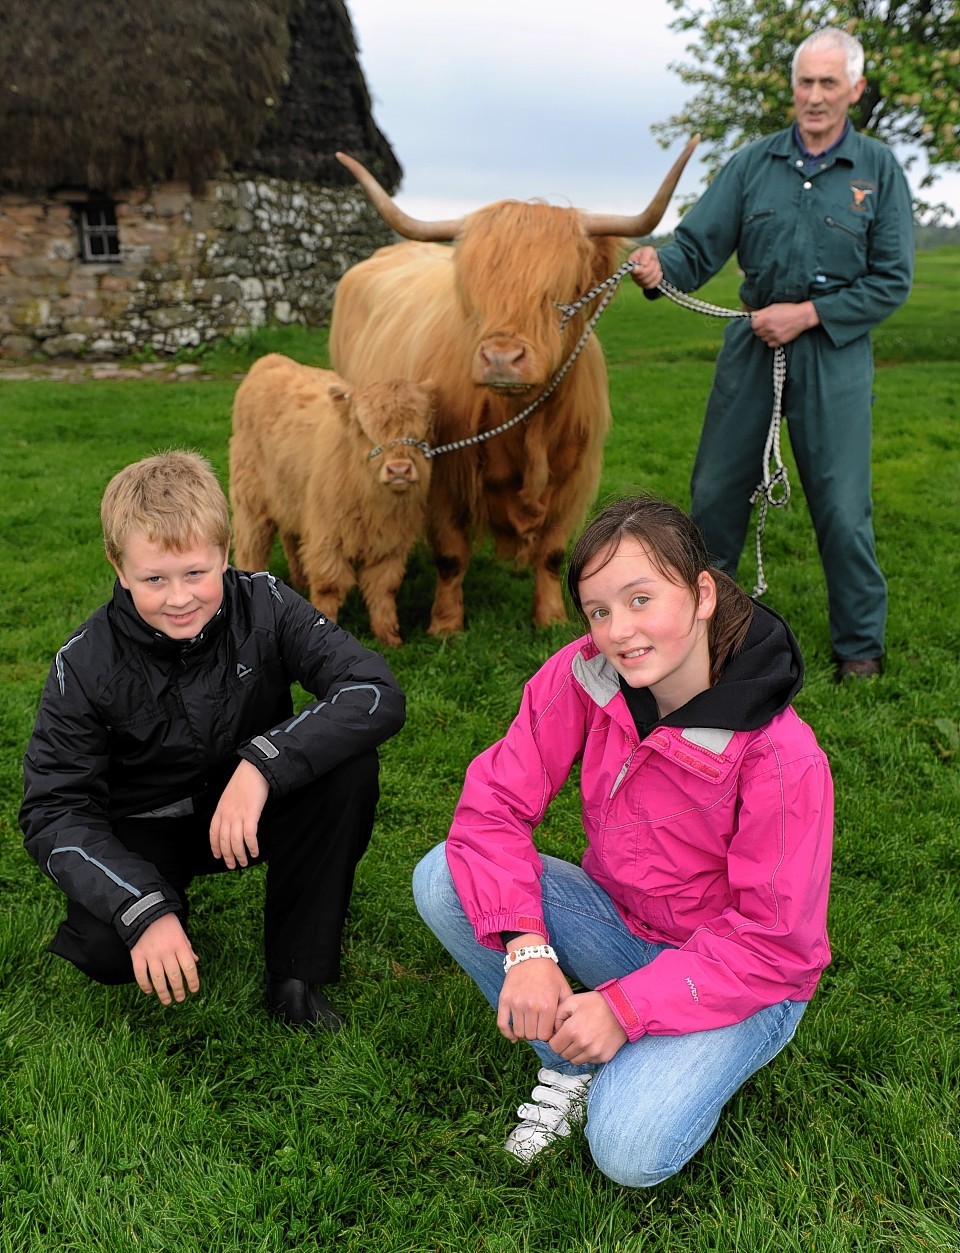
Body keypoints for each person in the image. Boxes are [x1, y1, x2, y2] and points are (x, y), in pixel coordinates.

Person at [413, 495, 833, 1187]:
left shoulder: (782, 757)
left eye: (640, 599)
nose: (619, 631)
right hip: (623, 923)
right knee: (442, 877)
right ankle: (568, 1058)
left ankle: (645, 1050)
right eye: (600, 610)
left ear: (701, 593)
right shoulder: (585, 674)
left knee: (629, 1150)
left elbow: (773, 942)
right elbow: (492, 805)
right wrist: (528, 944)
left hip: (744, 977)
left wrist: (626, 1007)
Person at [20, 450, 406, 1031]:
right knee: (105, 945)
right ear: (118, 569)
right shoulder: (84, 662)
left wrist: (262, 766)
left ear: (224, 556)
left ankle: (295, 977)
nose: (179, 598)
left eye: (196, 573)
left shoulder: (266, 603)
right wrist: (141, 909)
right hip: (147, 825)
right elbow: (52, 809)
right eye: (154, 579)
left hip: (245, 806)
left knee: (348, 767)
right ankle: (158, 908)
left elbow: (373, 690)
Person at [629, 27, 914, 683]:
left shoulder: (878, 169)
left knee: (843, 506)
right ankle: (705, 636)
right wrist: (657, 266)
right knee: (715, 493)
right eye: (805, 82)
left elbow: (892, 279)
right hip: (753, 341)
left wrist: (810, 314)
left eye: (829, 83)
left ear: (855, 90)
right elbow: (695, 251)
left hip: (833, 350)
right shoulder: (753, 164)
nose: (814, 96)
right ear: (793, 86)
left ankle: (860, 648)